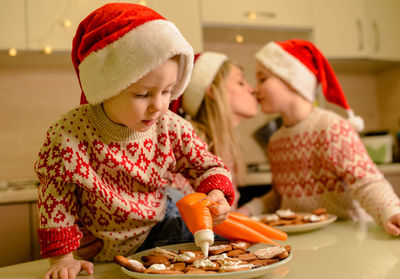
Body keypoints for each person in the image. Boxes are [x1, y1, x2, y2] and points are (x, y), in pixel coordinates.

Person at [34, 3, 234, 279]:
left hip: (165, 230)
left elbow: (208, 166)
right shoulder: (69, 134)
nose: (160, 106)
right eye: (142, 94)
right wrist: (63, 258)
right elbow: (55, 199)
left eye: (168, 91)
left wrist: (217, 195)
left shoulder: (170, 126)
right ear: (105, 87)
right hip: (101, 251)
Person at [237, 39, 400, 237]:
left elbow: (366, 182)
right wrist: (250, 210)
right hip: (302, 241)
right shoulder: (276, 141)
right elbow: (281, 196)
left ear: (292, 79)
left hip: (345, 237)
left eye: (262, 79)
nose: (255, 89)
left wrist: (391, 212)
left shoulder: (331, 128)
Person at [168, 51, 259, 209]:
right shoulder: (191, 148)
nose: (252, 89)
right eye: (241, 82)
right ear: (213, 93)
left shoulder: (227, 147)